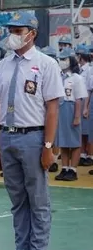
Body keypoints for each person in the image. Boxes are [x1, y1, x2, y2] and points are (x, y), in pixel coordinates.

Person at [0, 11, 63, 250]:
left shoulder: (46, 65)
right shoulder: (2, 66)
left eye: (19, 30)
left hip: (33, 137)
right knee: (18, 199)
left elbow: (53, 108)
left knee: (38, 200)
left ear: (32, 33)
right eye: (12, 30)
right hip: (7, 136)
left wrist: (48, 146)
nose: (14, 35)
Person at [55, 48, 86, 181]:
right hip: (60, 110)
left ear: (71, 60)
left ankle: (73, 170)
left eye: (64, 59)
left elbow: (79, 99)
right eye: (60, 59)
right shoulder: (59, 77)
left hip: (71, 109)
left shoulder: (76, 78)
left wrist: (77, 116)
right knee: (63, 141)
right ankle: (64, 168)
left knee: (74, 142)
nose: (62, 62)